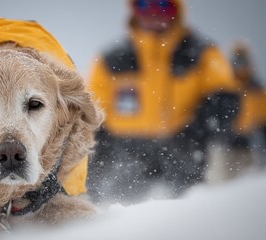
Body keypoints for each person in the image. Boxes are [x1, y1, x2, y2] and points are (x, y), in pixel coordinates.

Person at [86, 0, 239, 204]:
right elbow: (90, 113)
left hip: (183, 148)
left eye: (163, 5)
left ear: (177, 10)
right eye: (142, 5)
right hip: (124, 153)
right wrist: (98, 152)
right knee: (119, 217)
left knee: (188, 214)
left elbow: (225, 99)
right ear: (133, 10)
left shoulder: (202, 54)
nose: (153, 13)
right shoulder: (110, 60)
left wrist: (199, 130)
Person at [228, 42, 266, 176]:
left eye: (243, 61)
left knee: (244, 181)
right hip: (224, 146)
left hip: (247, 146)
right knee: (218, 184)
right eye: (237, 61)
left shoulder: (258, 90)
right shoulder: (225, 88)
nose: (240, 66)